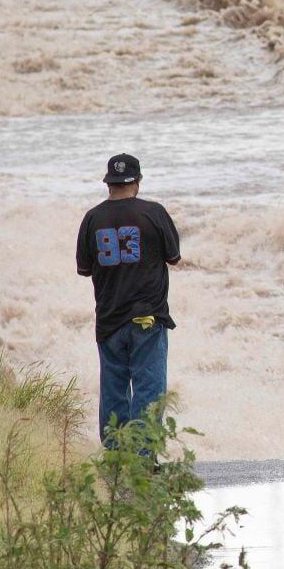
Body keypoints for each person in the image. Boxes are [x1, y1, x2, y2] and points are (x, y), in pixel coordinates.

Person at [75, 153, 182, 448]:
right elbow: (173, 257)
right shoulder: (154, 213)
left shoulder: (92, 218)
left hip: (109, 319)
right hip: (147, 317)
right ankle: (143, 460)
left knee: (113, 390)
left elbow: (84, 269)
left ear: (109, 183)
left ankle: (115, 459)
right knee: (149, 390)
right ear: (137, 182)